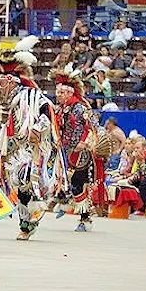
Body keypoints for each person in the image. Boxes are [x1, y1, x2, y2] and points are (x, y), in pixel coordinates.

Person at [0, 36, 66, 240]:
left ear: (12, 80)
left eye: (2, 80)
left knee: (28, 179)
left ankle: (32, 217)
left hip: (33, 149)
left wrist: (38, 128)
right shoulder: (6, 101)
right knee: (19, 187)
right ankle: (26, 223)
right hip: (15, 149)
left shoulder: (29, 94)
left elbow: (47, 110)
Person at [52, 68, 98, 232]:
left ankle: (85, 219)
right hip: (65, 150)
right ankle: (63, 200)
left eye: (62, 92)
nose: (59, 95)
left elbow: (93, 127)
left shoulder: (80, 108)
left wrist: (84, 142)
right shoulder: (60, 109)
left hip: (81, 153)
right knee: (63, 179)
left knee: (79, 185)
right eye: (57, 92)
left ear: (70, 93)